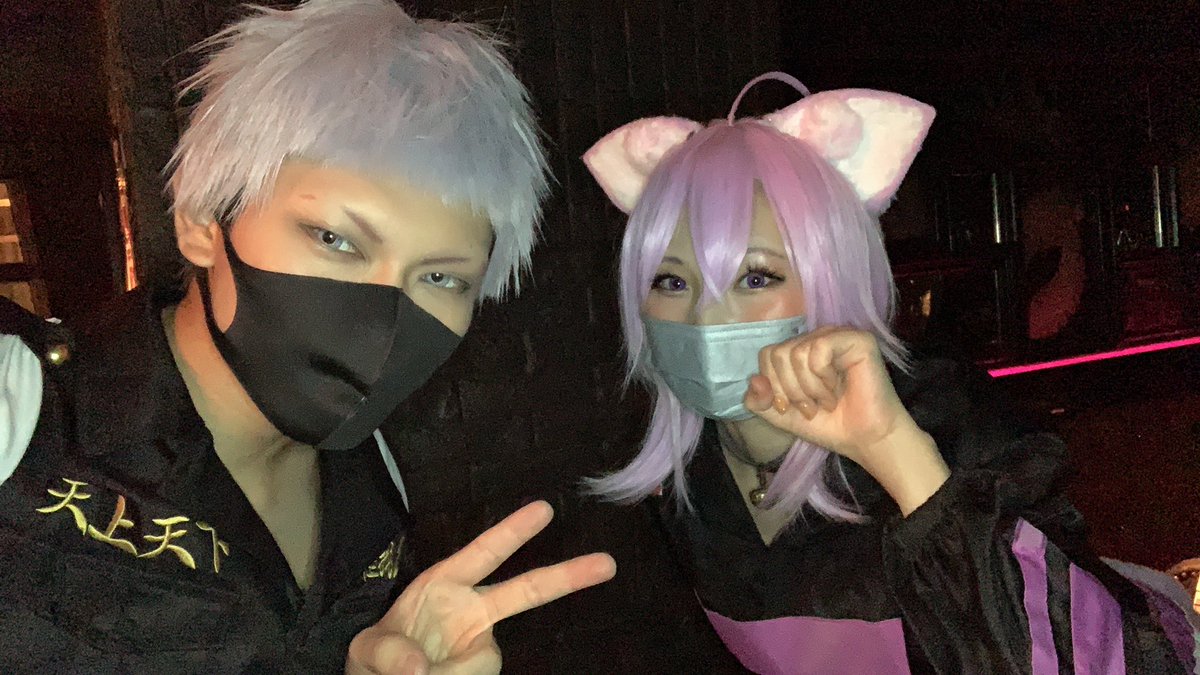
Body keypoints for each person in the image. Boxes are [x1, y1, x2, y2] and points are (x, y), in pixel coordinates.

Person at [0, 1, 613, 672]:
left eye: (440, 277)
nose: (385, 316)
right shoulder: (22, 418)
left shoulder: (373, 473)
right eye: (335, 239)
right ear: (203, 221)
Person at [582, 71, 1196, 673]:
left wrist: (895, 452)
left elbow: (1089, 657)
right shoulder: (685, 479)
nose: (705, 316)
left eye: (757, 277)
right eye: (671, 282)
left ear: (832, 279)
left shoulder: (952, 426)